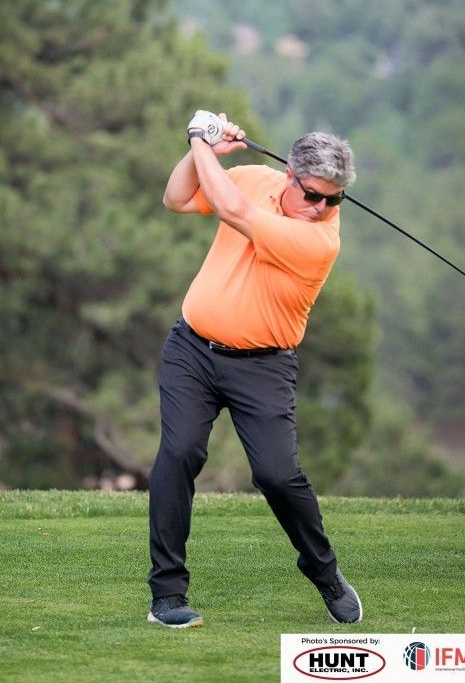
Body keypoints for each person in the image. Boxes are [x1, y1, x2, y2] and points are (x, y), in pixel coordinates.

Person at [147, 109, 361, 628]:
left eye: (334, 198)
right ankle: (167, 596)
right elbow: (177, 198)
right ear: (288, 174)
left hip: (263, 366)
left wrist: (200, 136)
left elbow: (231, 209)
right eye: (312, 194)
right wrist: (202, 154)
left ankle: (325, 573)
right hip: (192, 349)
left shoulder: (318, 241)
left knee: (277, 475)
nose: (322, 208)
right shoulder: (253, 177)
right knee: (178, 453)